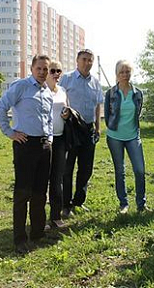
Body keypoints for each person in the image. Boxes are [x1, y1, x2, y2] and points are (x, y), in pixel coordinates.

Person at [0, 55, 53, 253]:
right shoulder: (21, 87)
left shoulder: (47, 91)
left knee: (39, 191)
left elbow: (49, 118)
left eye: (46, 69)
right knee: (22, 192)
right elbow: (0, 107)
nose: (43, 72)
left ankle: (37, 233)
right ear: (32, 68)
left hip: (44, 146)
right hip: (25, 144)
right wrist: (9, 132)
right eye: (39, 68)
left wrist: (50, 137)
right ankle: (20, 238)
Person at [59, 49, 104, 218]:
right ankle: (66, 204)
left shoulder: (96, 82)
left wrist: (98, 128)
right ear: (77, 61)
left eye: (90, 60)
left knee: (86, 168)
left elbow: (98, 105)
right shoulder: (67, 79)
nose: (87, 63)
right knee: (68, 168)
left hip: (89, 129)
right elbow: (59, 99)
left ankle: (79, 201)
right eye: (84, 59)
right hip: (71, 129)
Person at [104, 60, 148, 214]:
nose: (125, 75)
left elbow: (138, 112)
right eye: (122, 72)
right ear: (117, 74)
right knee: (120, 171)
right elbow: (108, 114)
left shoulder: (138, 93)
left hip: (133, 136)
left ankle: (141, 204)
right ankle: (124, 204)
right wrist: (112, 128)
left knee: (140, 170)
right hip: (115, 136)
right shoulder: (110, 93)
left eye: (127, 71)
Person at [46, 61, 68, 228]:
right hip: (43, 139)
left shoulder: (62, 91)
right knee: (40, 179)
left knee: (57, 178)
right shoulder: (41, 90)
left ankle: (55, 215)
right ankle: (38, 218)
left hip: (60, 139)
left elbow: (66, 109)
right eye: (52, 71)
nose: (56, 74)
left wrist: (67, 114)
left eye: (58, 71)